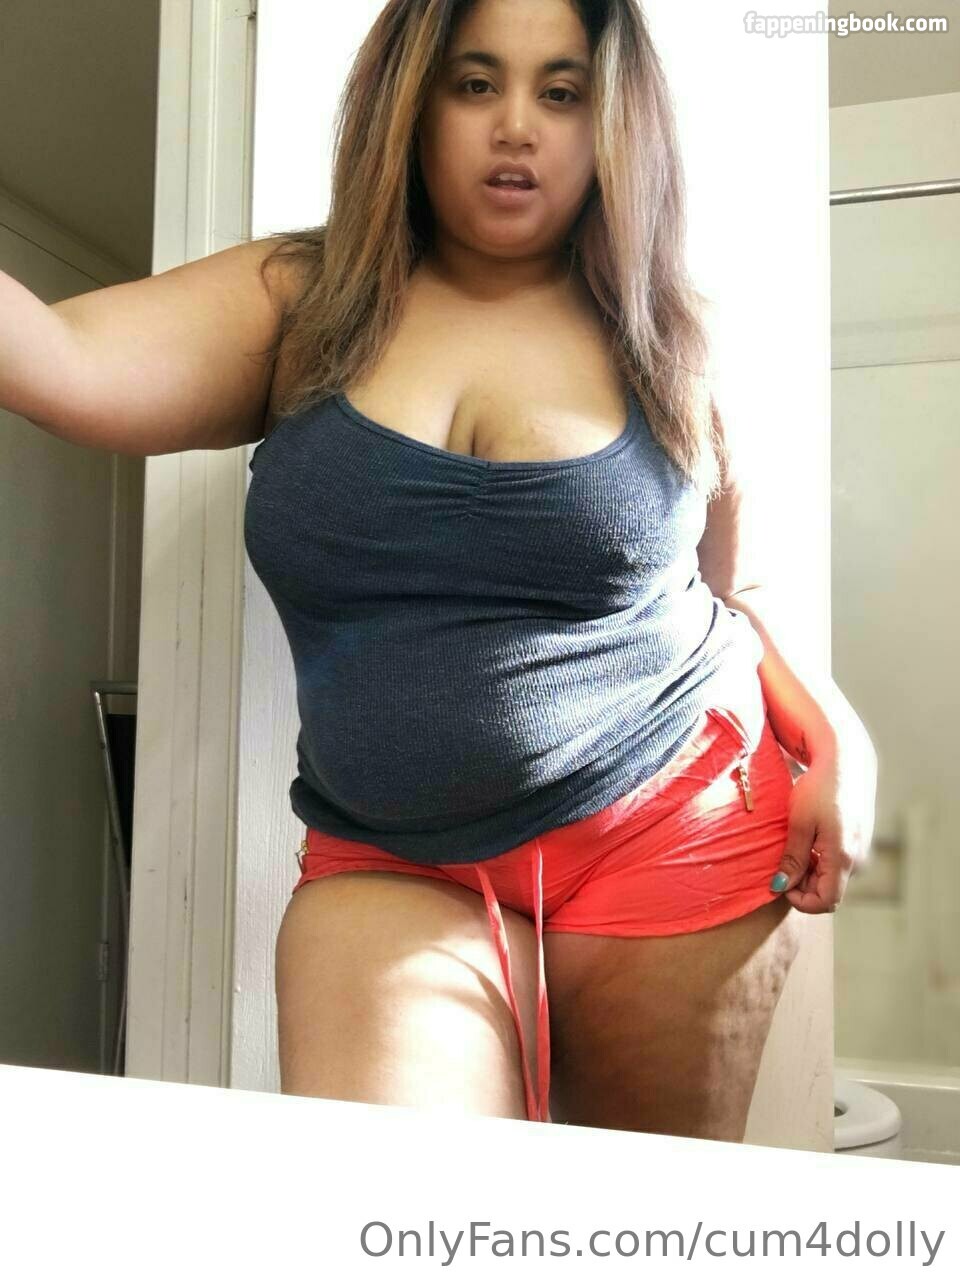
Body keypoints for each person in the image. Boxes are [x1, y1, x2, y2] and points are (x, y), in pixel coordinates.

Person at [1, 0, 877, 1137]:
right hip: (393, 856)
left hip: (675, 823)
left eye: (560, 91)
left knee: (633, 1222)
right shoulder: (307, 299)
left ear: (613, 120)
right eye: (475, 83)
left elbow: (733, 593)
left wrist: (839, 742)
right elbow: (60, 358)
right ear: (411, 105)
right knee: (402, 1210)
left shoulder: (669, 331)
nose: (516, 124)